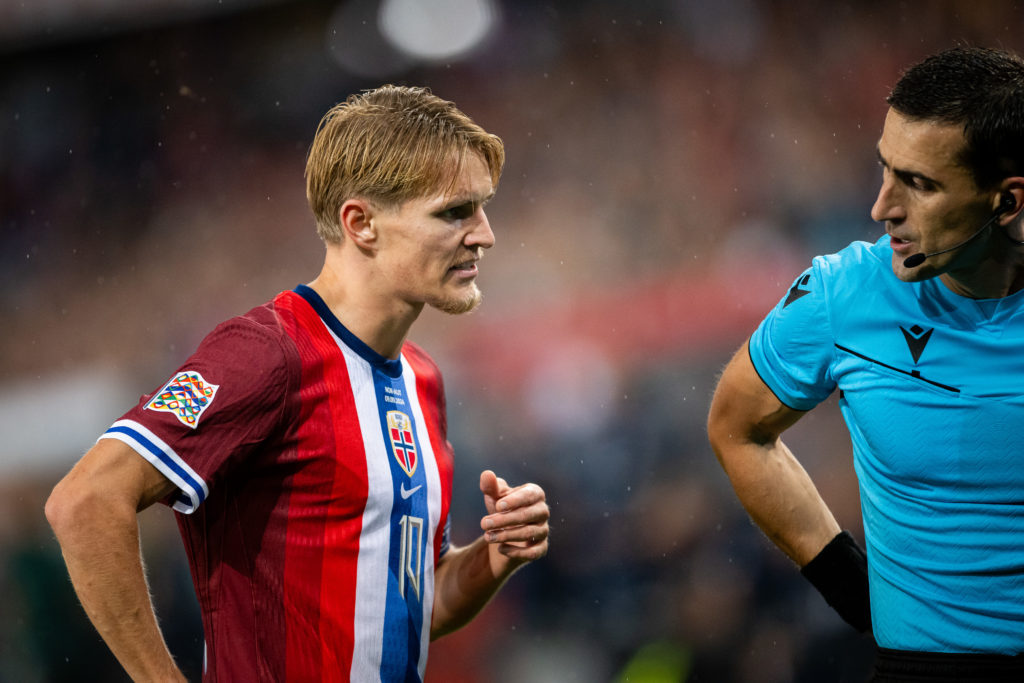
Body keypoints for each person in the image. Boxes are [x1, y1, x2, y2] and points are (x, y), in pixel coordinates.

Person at [45, 85, 550, 682]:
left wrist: (493, 558)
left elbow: (417, 607)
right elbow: (84, 502)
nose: (485, 234)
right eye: (454, 212)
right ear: (360, 223)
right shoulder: (265, 353)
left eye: (483, 207)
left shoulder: (423, 379)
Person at [707, 46, 1024, 681]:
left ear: (1007, 202)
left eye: (921, 184)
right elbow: (737, 429)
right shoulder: (839, 294)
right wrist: (847, 584)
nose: (882, 208)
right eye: (886, 170)